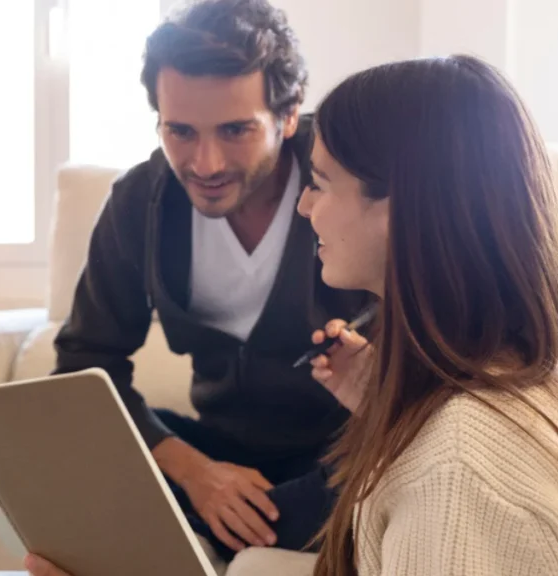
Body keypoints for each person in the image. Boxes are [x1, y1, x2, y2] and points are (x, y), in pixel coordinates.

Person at [28, 54, 558, 576]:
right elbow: (84, 363)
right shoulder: (514, 384)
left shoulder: (460, 469)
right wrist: (382, 400)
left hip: (329, 459)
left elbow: (449, 473)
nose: (305, 206)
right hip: (324, 435)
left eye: (319, 184)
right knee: (94, 444)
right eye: (180, 130)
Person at [51, 0, 368, 565]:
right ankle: (208, 529)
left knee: (362, 483)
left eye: (235, 130)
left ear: (288, 114)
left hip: (340, 459)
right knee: (63, 450)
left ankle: (204, 537)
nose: (206, 162)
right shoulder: (137, 205)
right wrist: (195, 472)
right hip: (217, 451)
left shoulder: (352, 182)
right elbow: (83, 367)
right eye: (180, 131)